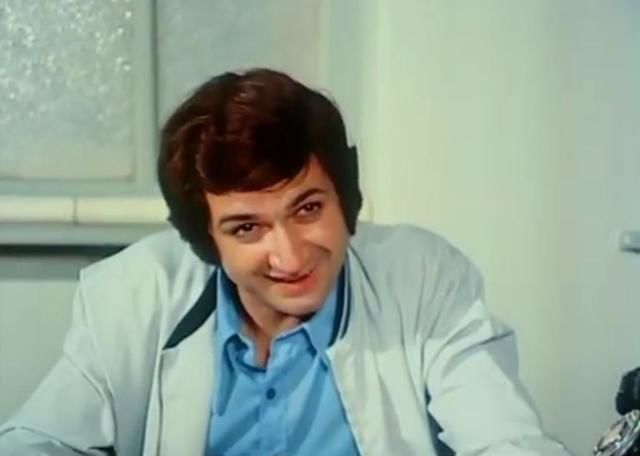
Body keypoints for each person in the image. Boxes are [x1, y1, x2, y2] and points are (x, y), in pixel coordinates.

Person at [0, 68, 571, 455]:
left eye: (307, 208)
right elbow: (38, 441)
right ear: (207, 239)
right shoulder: (133, 293)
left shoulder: (424, 279)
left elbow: (505, 440)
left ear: (345, 197)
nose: (291, 255)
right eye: (247, 228)